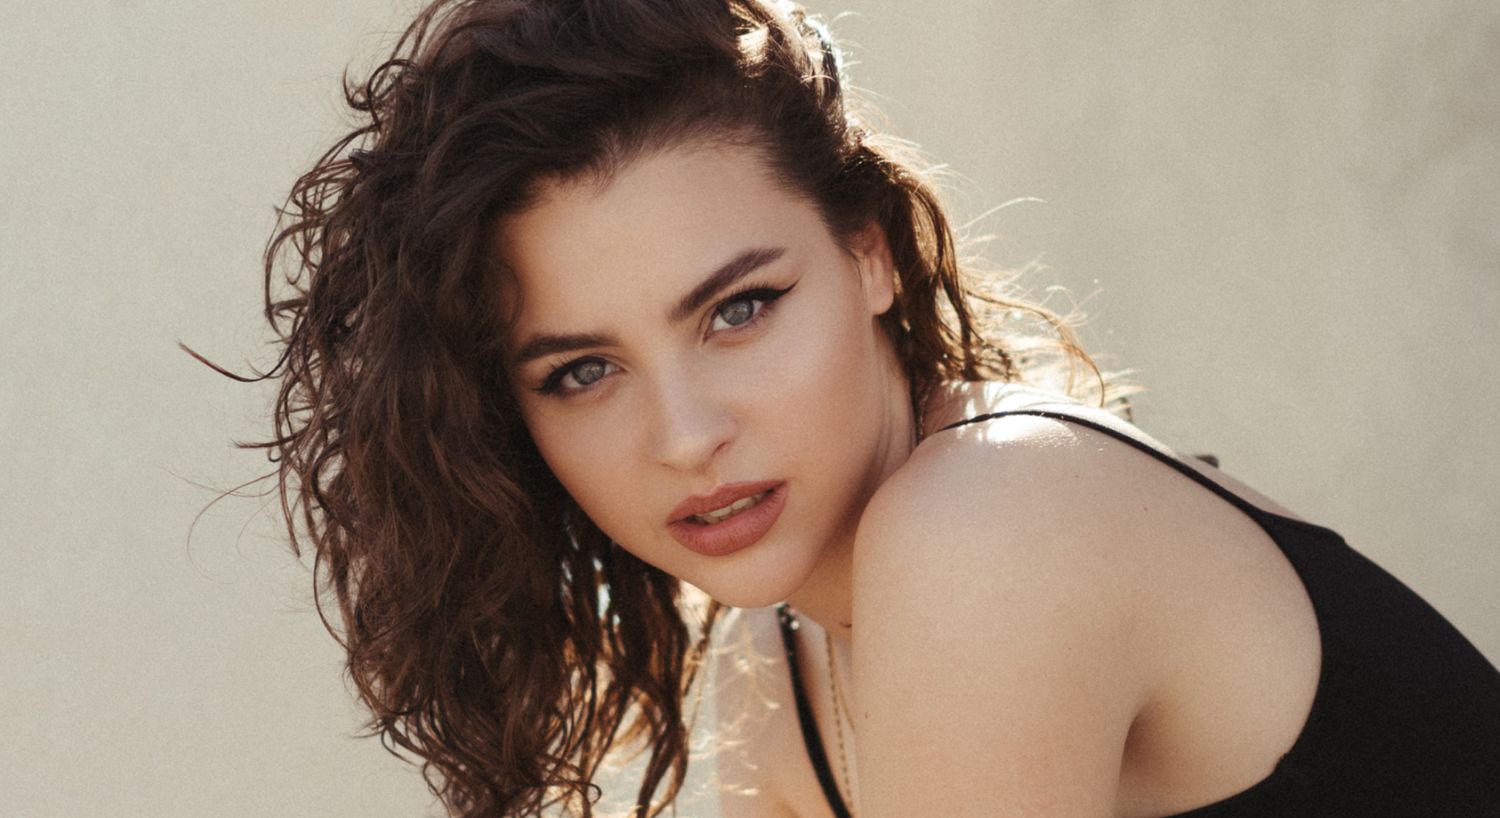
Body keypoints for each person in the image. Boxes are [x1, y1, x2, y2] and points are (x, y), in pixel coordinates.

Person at [237, 0, 1500, 815]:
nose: (683, 435)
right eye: (582, 371)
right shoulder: (772, 672)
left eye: (738, 309)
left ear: (871, 251)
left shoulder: (995, 521)